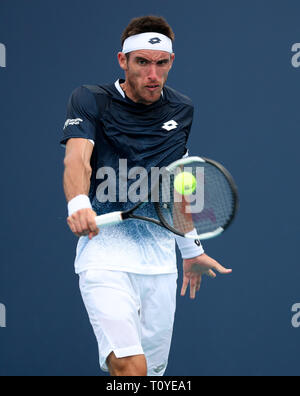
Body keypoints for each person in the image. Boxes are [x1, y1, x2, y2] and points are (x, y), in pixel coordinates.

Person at [61, 15, 232, 376]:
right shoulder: (91, 100)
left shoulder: (181, 110)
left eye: (161, 63)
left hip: (158, 266)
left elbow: (176, 184)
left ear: (171, 62)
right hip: (105, 258)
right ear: (122, 61)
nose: (152, 75)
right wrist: (78, 203)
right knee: (130, 368)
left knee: (151, 377)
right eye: (142, 62)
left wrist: (191, 251)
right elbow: (78, 158)